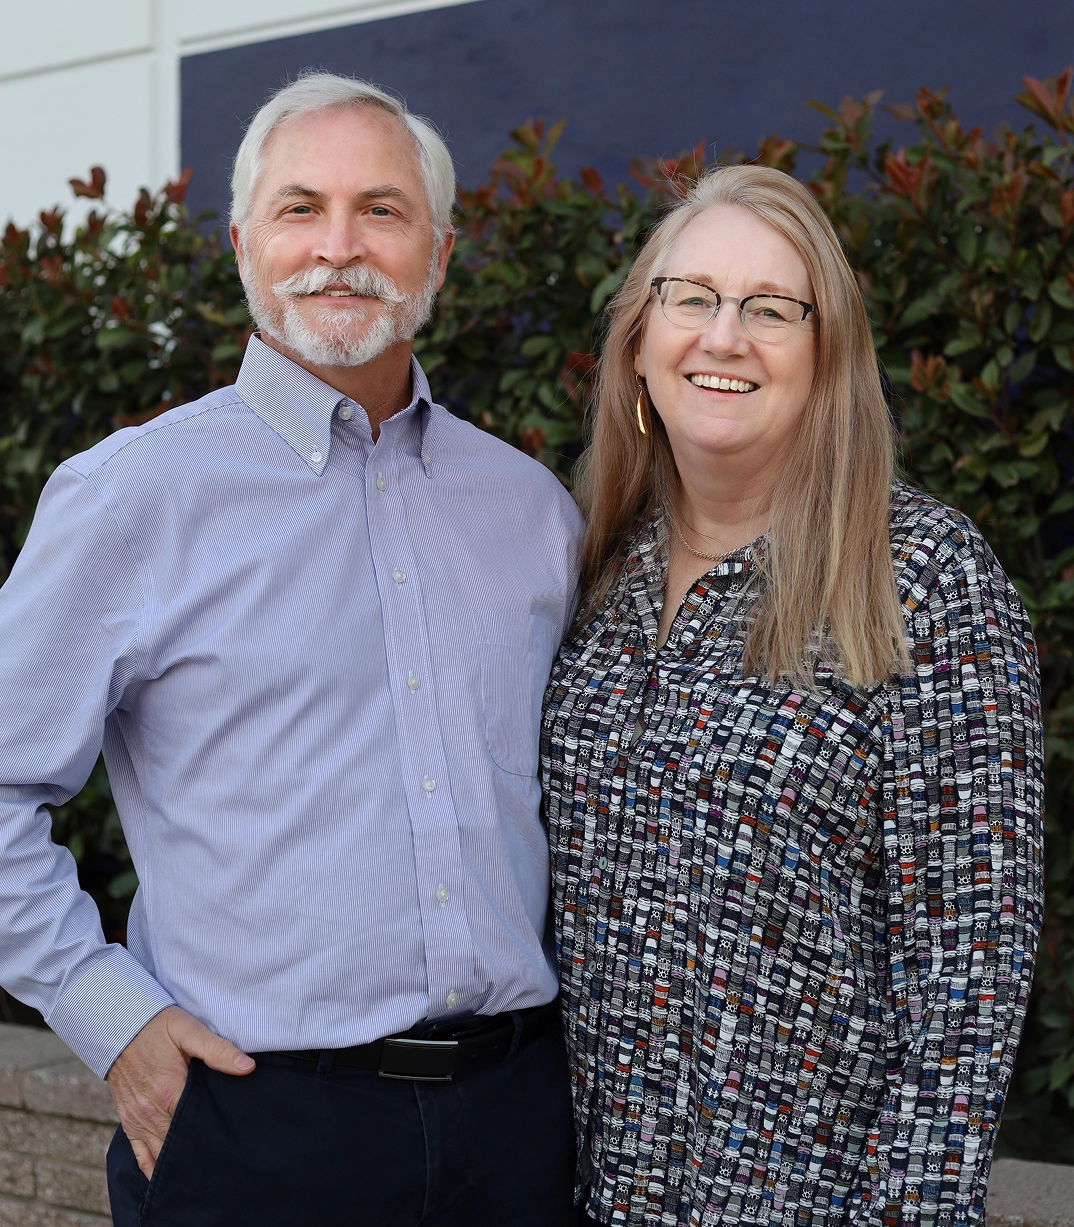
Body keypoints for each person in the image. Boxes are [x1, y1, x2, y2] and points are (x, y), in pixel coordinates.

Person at [0, 73, 584, 1226]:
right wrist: (109, 1017)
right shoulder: (133, 500)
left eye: (382, 209)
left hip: (516, 1123)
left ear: (440, 250)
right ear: (241, 243)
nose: (339, 246)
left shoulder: (533, 510)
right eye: (299, 208)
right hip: (255, 1131)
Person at [540, 164, 1044, 1226]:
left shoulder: (923, 579)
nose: (725, 337)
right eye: (692, 298)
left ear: (828, 358)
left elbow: (968, 981)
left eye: (772, 310)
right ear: (639, 341)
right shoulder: (585, 571)